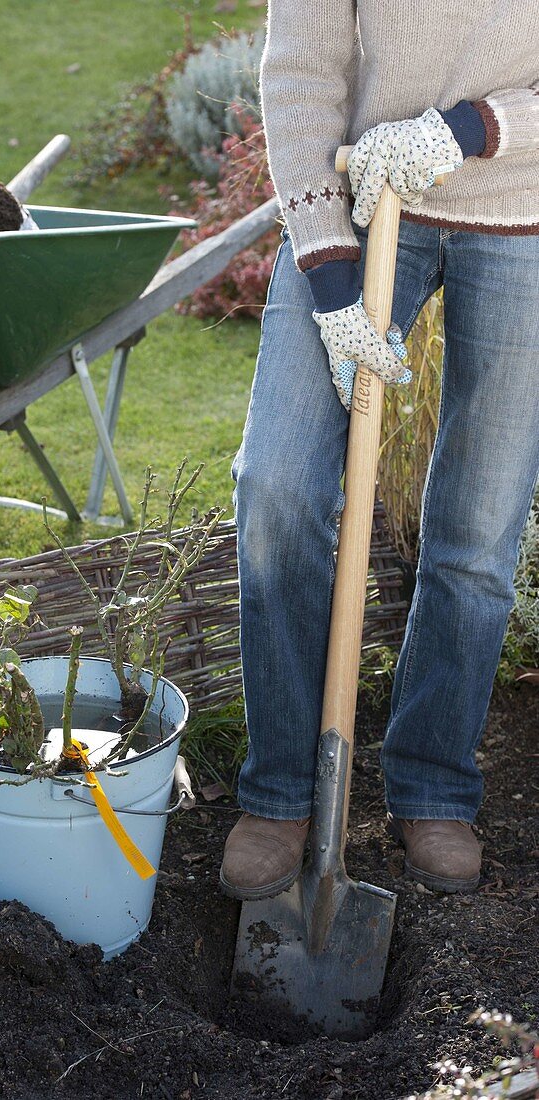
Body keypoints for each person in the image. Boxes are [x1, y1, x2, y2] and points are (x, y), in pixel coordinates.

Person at [220, 0, 539, 898]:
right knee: (276, 489)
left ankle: (433, 786)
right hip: (365, 199)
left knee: (477, 536)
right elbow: (301, 73)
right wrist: (325, 267)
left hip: (528, 217)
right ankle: (283, 791)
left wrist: (475, 127)